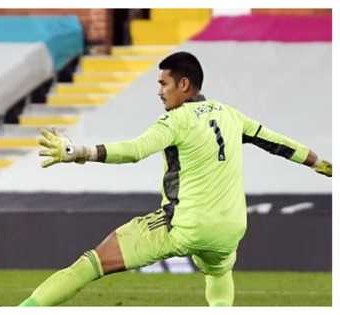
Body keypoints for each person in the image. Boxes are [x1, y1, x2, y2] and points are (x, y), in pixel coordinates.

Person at [21, 51, 332, 306]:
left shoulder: (176, 120)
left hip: (185, 225)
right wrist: (321, 164)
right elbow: (280, 144)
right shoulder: (230, 114)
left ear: (184, 84)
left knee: (91, 263)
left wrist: (80, 151)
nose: (159, 91)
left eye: (163, 83)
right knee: (218, 273)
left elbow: (135, 150)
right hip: (231, 228)